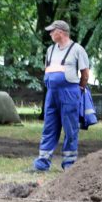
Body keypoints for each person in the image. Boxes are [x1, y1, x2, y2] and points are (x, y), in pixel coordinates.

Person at [34, 20, 90, 171]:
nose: (50, 33)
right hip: (51, 93)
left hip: (69, 93)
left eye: (52, 31)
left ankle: (69, 165)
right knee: (49, 127)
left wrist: (79, 90)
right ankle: (42, 164)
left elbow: (85, 74)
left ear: (61, 32)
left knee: (70, 129)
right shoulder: (50, 50)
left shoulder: (77, 49)